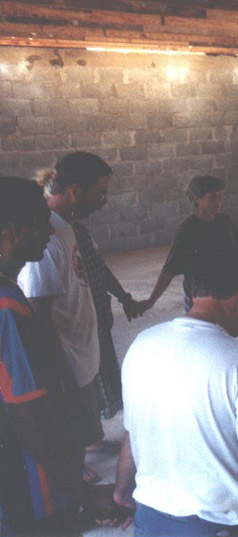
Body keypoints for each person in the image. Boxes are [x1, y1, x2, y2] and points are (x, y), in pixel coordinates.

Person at [113, 247, 238, 537]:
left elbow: (132, 434)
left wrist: (122, 493)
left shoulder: (141, 345)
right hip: (219, 528)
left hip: (150, 524)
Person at [0, 177, 125, 535]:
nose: (48, 233)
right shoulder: (8, 307)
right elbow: (27, 415)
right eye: (41, 223)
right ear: (13, 229)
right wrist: (83, 493)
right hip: (31, 494)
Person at [17, 152, 118, 480]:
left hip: (82, 352)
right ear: (75, 190)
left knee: (87, 414)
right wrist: (58, 375)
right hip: (67, 363)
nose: (103, 202)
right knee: (69, 425)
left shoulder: (66, 227)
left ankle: (85, 450)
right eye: (99, 194)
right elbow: (37, 317)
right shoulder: (44, 239)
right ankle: (76, 477)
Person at [139, 175, 238, 314]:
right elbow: (169, 269)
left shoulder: (224, 221)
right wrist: (152, 300)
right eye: (212, 197)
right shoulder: (188, 228)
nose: (218, 202)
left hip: (225, 290)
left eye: (220, 196)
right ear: (197, 198)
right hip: (199, 296)